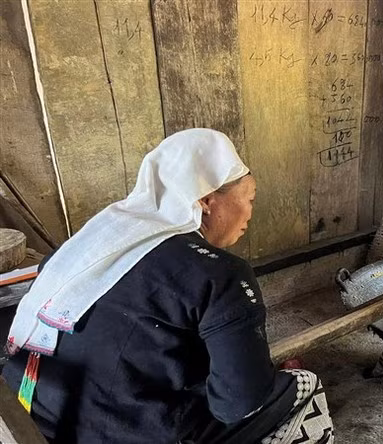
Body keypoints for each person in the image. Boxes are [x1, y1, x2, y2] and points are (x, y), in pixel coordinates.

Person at [2, 129, 334, 444]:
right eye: (249, 198)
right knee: (304, 385)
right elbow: (236, 404)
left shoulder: (89, 245)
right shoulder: (220, 273)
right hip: (124, 434)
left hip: (34, 421)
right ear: (206, 200)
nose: (249, 213)